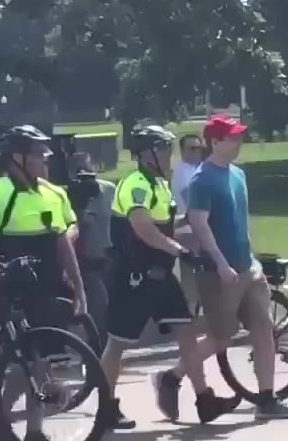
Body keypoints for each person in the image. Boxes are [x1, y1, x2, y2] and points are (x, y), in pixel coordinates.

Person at [153, 117, 288, 421]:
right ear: (215, 142)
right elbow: (198, 223)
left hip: (248, 269)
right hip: (218, 273)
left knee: (263, 329)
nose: (238, 143)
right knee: (223, 335)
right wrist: (221, 263)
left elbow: (240, 222)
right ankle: (171, 376)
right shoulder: (202, 179)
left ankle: (266, 399)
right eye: (231, 138)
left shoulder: (238, 174)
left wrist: (254, 260)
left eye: (239, 137)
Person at [0, 125, 91, 441]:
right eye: (37, 155)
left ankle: (6, 420)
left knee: (40, 362)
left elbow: (64, 244)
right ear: (17, 158)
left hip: (49, 284)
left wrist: (79, 288)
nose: (44, 161)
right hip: (15, 288)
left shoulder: (52, 193)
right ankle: (25, 427)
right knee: (32, 360)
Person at [101, 126, 237, 425]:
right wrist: (182, 252)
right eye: (161, 148)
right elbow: (143, 228)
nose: (167, 154)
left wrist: (189, 220)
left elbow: (163, 225)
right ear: (144, 153)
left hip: (161, 273)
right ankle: (106, 407)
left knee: (187, 333)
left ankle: (204, 399)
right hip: (133, 275)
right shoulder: (133, 184)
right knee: (118, 343)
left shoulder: (160, 186)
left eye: (167, 148)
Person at [69, 151, 116, 339]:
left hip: (110, 257)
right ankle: (98, 357)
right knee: (99, 311)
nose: (85, 176)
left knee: (112, 310)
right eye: (79, 171)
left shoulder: (109, 190)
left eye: (88, 170)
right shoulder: (69, 194)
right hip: (87, 262)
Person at [171, 133, 206, 311]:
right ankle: (190, 310)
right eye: (191, 148)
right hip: (186, 229)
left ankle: (193, 309)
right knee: (191, 272)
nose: (196, 152)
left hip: (198, 227)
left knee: (199, 271)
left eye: (198, 148)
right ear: (182, 151)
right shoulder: (182, 171)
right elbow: (190, 198)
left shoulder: (198, 169)